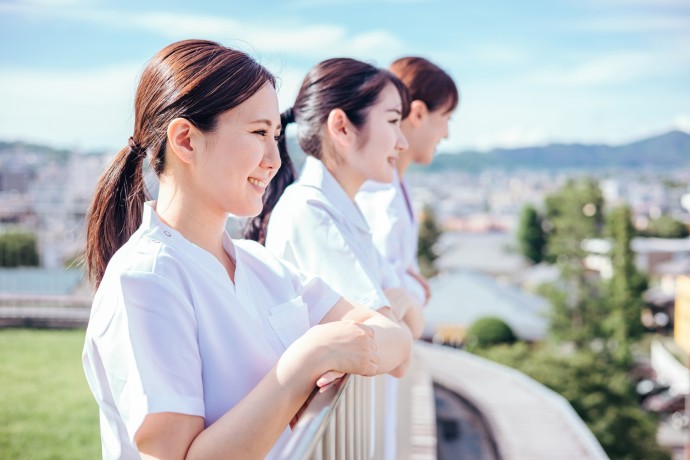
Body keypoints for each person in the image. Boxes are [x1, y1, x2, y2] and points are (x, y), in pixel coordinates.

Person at [81, 39, 412, 460]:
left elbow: (396, 340)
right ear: (185, 140)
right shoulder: (145, 279)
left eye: (276, 135)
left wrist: (338, 351)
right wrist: (306, 364)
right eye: (258, 133)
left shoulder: (259, 264)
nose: (274, 159)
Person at [245, 57, 424, 460]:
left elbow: (404, 329)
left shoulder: (336, 210)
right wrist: (402, 301)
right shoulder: (312, 213)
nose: (402, 142)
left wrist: (400, 310)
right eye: (393, 121)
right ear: (341, 127)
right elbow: (396, 348)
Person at [356, 57, 459, 307]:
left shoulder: (390, 185)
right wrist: (415, 291)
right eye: (446, 118)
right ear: (418, 113)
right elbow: (380, 288)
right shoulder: (379, 191)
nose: (446, 133)